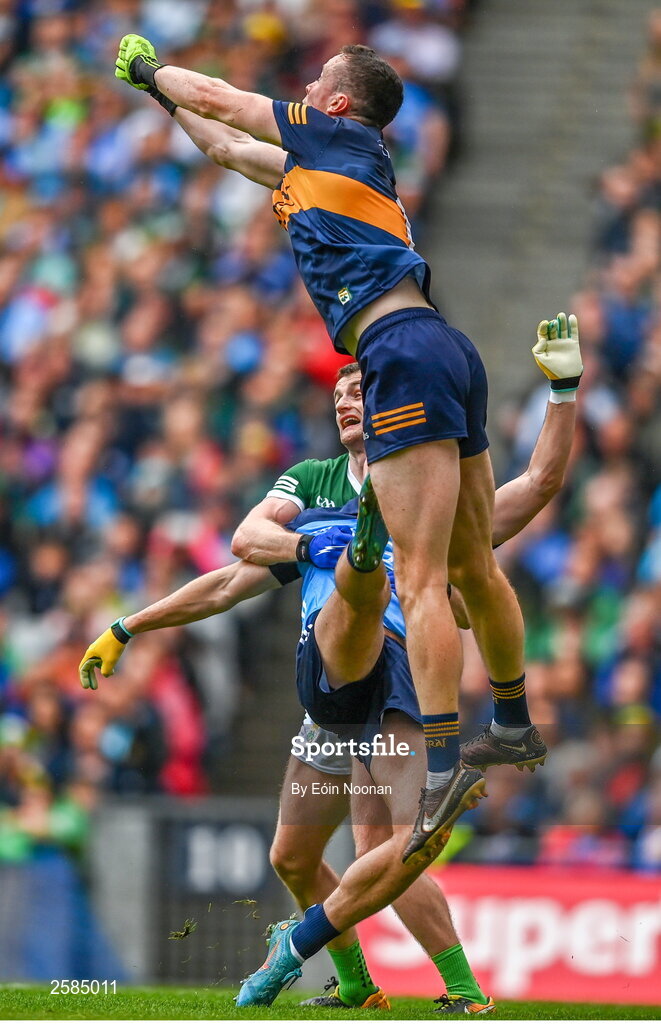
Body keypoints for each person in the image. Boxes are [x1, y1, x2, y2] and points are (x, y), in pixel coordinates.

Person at [111, 35, 587, 861]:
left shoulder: (337, 137)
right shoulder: (321, 175)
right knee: (474, 563)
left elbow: (224, 100)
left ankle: (440, 760)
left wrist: (150, 70)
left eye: (315, 81)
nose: (304, 85)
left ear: (335, 104)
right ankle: (509, 719)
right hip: (440, 346)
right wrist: (165, 102)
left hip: (395, 350)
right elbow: (222, 142)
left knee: (427, 571)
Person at [79, 316, 582, 1011]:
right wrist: (127, 624)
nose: (347, 400)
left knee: (407, 828)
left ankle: (457, 987)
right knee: (298, 856)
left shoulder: (441, 496)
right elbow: (235, 565)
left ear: (391, 405)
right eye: (340, 392)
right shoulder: (312, 482)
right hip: (329, 697)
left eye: (361, 390)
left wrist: (563, 389)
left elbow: (541, 481)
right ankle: (355, 981)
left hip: (393, 675)